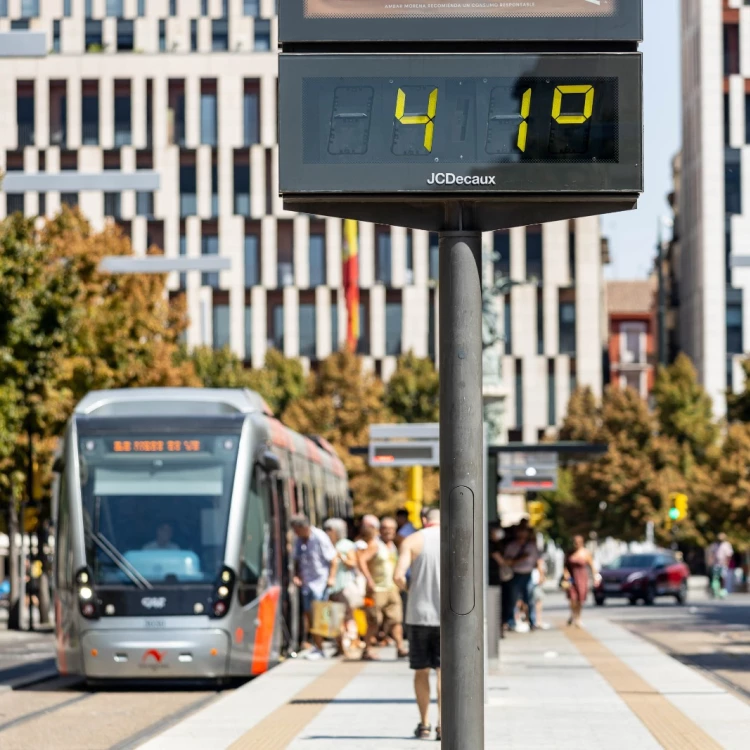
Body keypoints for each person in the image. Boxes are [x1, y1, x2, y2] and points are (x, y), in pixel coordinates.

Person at [394, 508, 441, 741]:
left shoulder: (412, 540)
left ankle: (424, 724)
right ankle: (444, 724)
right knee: (445, 672)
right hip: (449, 618)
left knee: (421, 671)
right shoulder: (455, 537)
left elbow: (398, 576)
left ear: (424, 520)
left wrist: (411, 590)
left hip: (419, 614)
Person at [358, 516, 407, 660]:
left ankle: (400, 647)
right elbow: (361, 560)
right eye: (385, 528)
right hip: (376, 590)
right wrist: (369, 580)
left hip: (392, 588)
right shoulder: (375, 544)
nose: (388, 531)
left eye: (391, 529)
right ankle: (367, 650)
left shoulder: (393, 546)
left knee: (396, 619)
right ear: (380, 530)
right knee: (374, 620)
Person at [291, 514, 337, 660]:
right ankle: (318, 646)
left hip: (320, 583)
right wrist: (297, 575)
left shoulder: (319, 537)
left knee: (321, 616)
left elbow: (333, 559)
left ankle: (324, 646)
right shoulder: (299, 540)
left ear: (304, 527)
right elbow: (297, 559)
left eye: (297, 530)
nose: (295, 533)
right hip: (307, 584)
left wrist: (331, 578)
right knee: (310, 616)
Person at [323, 517, 361, 656]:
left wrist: (341, 557)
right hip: (331, 587)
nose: (327, 532)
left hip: (344, 585)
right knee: (334, 618)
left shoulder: (346, 545)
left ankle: (350, 644)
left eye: (329, 530)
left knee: (346, 616)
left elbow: (353, 563)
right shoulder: (327, 544)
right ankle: (340, 646)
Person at [499, 521, 539, 631]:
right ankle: (510, 622)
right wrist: (520, 559)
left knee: (530, 598)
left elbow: (536, 560)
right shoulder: (512, 546)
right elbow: (506, 561)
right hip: (515, 574)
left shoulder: (531, 546)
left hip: (528, 574)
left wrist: (540, 573)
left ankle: (532, 621)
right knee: (512, 599)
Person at [563, 535, 600, 628]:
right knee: (572, 598)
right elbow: (565, 565)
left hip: (582, 578)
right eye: (575, 542)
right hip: (571, 578)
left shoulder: (586, 553)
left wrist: (596, 577)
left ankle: (578, 618)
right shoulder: (570, 553)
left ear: (582, 542)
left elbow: (592, 566)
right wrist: (566, 575)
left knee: (580, 598)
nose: (576, 544)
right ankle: (573, 613)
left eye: (579, 542)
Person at [707, 532, 734, 597]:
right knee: (715, 577)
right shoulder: (715, 545)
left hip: (723, 564)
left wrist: (727, 562)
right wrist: (710, 561)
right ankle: (715, 590)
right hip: (716, 563)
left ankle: (722, 590)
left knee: (722, 577)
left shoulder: (726, 545)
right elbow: (712, 554)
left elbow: (729, 555)